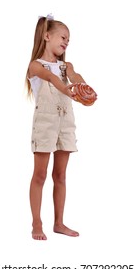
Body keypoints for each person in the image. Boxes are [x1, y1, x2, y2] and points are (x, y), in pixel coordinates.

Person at [25, 14, 91, 240]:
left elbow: (74, 76)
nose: (66, 42)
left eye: (69, 40)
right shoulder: (36, 65)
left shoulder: (66, 66)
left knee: (60, 175)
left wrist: (82, 88)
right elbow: (51, 80)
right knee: (40, 175)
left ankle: (59, 223)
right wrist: (69, 91)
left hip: (65, 123)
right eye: (63, 37)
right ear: (46, 36)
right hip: (45, 124)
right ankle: (36, 223)